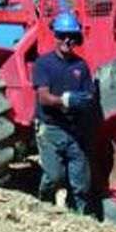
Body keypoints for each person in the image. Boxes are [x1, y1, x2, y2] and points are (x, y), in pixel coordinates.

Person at [32, 12, 95, 215]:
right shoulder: (43, 64)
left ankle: (80, 218)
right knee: (55, 176)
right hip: (50, 129)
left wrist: (85, 102)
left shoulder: (81, 66)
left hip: (74, 131)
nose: (67, 40)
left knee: (81, 183)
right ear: (55, 36)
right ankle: (43, 204)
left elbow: (89, 96)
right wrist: (64, 101)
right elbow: (43, 97)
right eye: (62, 35)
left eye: (71, 36)